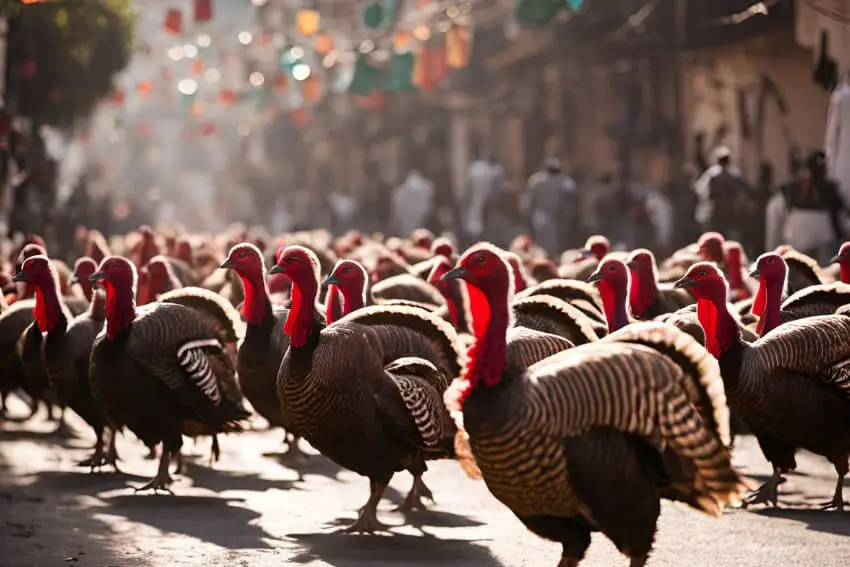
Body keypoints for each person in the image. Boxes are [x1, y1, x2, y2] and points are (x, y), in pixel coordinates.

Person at [780, 149, 844, 264]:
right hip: (818, 223)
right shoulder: (827, 186)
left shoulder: (795, 184)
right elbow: (838, 208)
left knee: (800, 261)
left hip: (799, 222)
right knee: (825, 262)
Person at [523, 157, 578, 257]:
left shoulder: (537, 180)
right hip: (550, 215)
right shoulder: (562, 181)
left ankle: (545, 259)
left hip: (546, 215)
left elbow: (529, 201)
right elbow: (573, 194)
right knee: (550, 241)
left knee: (545, 240)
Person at [693, 146, 752, 238]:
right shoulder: (736, 175)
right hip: (731, 212)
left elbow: (699, 190)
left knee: (716, 238)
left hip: (717, 212)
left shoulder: (711, 174)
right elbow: (746, 191)